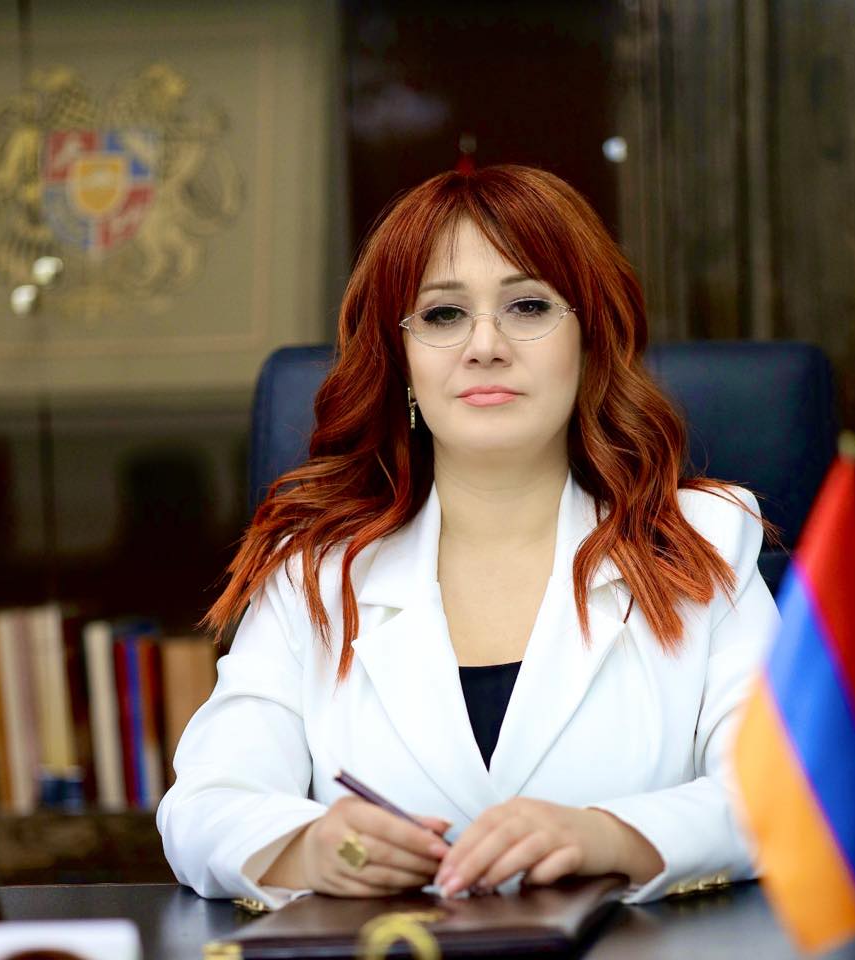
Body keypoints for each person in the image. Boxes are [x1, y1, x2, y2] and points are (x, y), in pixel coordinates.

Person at [157, 164, 780, 907]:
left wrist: (610, 837)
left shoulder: (701, 540)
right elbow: (204, 805)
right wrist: (311, 847)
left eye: (528, 305)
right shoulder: (316, 572)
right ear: (402, 360)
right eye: (444, 315)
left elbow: (781, 795)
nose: (485, 345)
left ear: (589, 342)